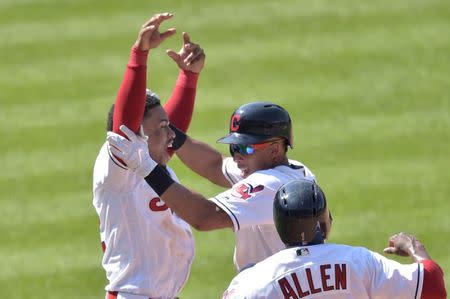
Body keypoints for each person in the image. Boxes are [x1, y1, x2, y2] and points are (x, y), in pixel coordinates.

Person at [107, 101, 317, 272]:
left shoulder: (271, 186)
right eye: (234, 147)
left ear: (274, 149)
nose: (237, 156)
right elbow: (213, 165)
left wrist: (147, 167)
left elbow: (204, 216)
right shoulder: (293, 169)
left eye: (245, 147)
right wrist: (162, 128)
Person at [93, 12, 205, 299]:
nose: (172, 136)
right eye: (162, 128)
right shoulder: (119, 169)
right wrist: (139, 55)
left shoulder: (151, 163)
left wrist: (188, 79)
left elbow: (171, 125)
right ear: (136, 135)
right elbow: (126, 124)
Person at [221, 179, 447, 299]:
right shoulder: (360, 261)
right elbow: (433, 287)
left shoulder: (252, 282)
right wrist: (415, 249)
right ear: (322, 225)